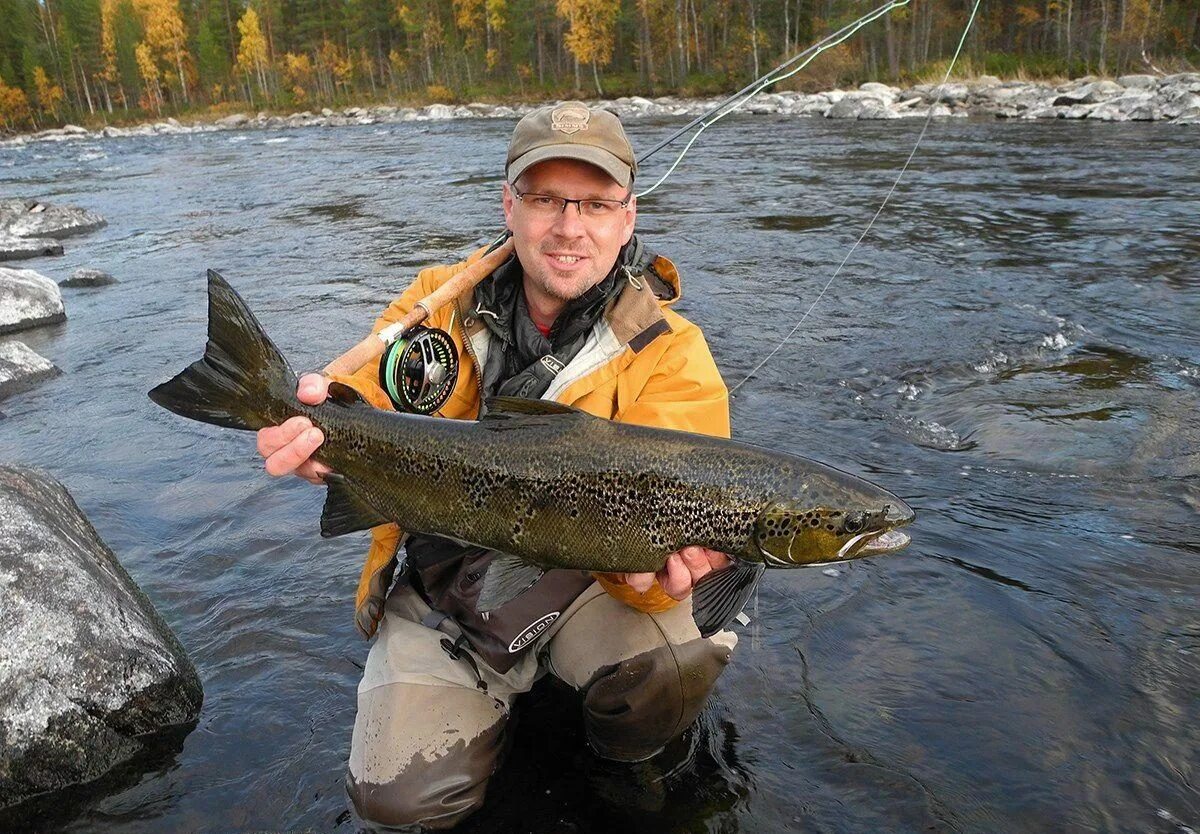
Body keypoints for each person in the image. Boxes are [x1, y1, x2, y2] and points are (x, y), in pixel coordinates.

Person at [255, 101, 738, 830]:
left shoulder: (673, 354)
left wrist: (655, 583)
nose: (569, 226)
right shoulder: (434, 304)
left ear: (628, 217)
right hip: (444, 583)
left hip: (586, 580)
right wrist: (317, 446)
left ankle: (617, 764)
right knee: (395, 805)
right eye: (545, 199)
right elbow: (364, 400)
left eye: (596, 203)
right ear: (508, 205)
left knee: (669, 672)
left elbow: (666, 529)